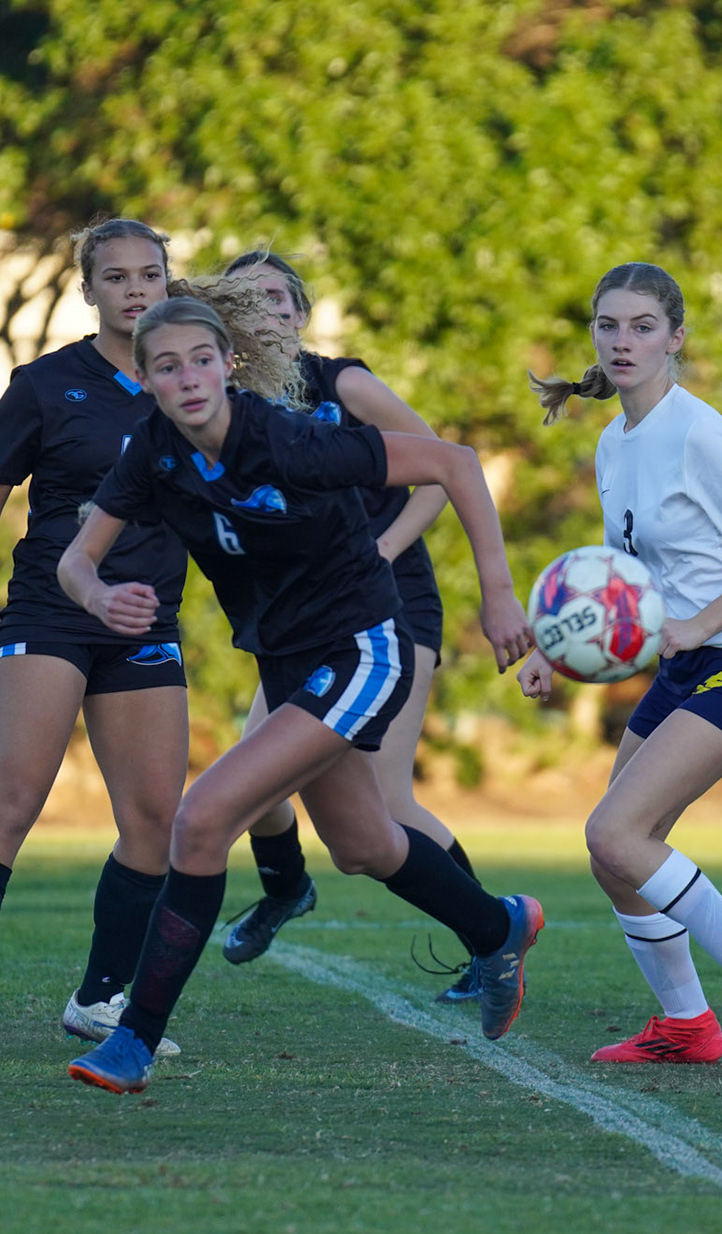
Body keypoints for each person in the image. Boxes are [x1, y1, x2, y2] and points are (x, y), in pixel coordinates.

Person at [57, 282, 541, 1094]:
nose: (187, 377)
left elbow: (454, 463)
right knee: (364, 845)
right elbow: (77, 561)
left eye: (201, 360)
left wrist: (498, 594)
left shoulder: (289, 439)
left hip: (361, 647)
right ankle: (499, 925)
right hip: (286, 662)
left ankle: (133, 1040)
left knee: (201, 819)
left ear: (228, 365)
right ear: (144, 380)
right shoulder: (153, 453)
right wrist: (99, 597)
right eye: (167, 366)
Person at [522, 261, 722, 1071]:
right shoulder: (614, 441)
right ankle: (687, 1025)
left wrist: (697, 626)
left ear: (675, 338)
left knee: (616, 832)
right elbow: (622, 581)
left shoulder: (701, 436)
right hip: (681, 670)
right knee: (614, 858)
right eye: (608, 325)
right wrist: (553, 648)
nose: (623, 342)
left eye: (643, 327)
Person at [0, 218, 192, 1062]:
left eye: (150, 274)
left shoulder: (192, 382)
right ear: (88, 289)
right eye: (117, 277)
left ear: (169, 283)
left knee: (155, 820)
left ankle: (100, 1000)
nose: (136, 289)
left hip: (146, 620)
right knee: (13, 798)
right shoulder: (45, 383)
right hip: (50, 611)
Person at [214, 250, 484, 1005]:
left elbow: (443, 469)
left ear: (301, 313)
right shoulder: (225, 407)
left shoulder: (344, 385)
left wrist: (382, 549)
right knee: (255, 785)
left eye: (276, 298)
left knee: (387, 805)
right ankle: (286, 888)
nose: (265, 312)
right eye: (244, 301)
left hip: (391, 604)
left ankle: (489, 939)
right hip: (304, 623)